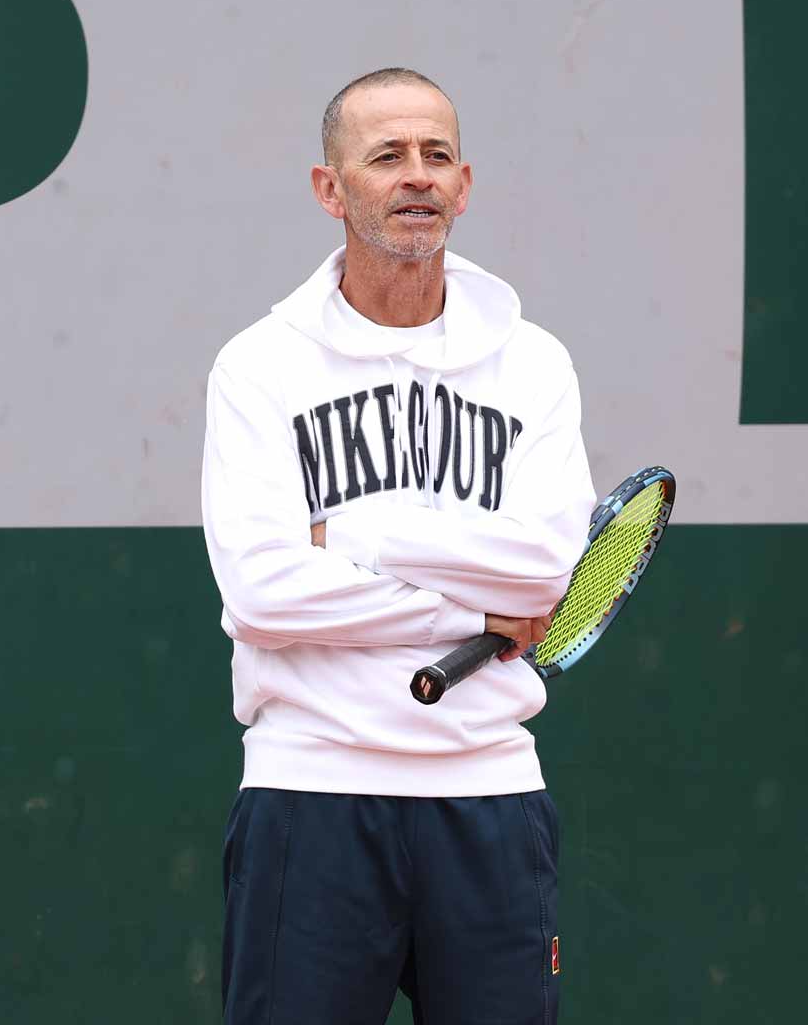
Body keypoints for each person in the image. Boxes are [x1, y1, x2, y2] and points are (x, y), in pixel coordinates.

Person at [200, 67, 594, 1024]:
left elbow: (546, 570)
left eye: (436, 155)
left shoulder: (534, 363)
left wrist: (350, 532)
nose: (416, 176)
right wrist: (471, 609)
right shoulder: (258, 366)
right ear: (331, 190)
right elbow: (263, 592)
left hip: (491, 796)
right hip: (311, 793)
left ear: (463, 185)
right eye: (386, 156)